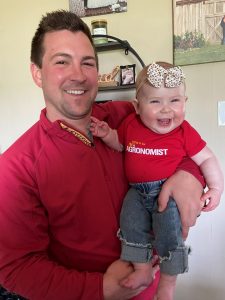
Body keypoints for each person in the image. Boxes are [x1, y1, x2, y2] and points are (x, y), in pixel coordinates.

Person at [0, 10, 205, 300]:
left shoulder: (127, 118)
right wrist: (101, 290)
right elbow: (16, 267)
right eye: (62, 62)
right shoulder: (14, 167)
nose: (78, 75)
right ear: (37, 73)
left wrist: (190, 174)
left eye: (88, 63)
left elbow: (179, 138)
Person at [90, 62, 224, 300]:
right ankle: (142, 270)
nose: (166, 110)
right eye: (155, 102)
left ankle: (168, 283)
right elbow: (119, 143)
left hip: (168, 195)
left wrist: (215, 187)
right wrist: (106, 133)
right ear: (137, 107)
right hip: (136, 193)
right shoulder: (131, 124)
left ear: (185, 102)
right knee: (130, 225)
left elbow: (207, 159)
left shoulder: (184, 132)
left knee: (169, 237)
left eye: (175, 101)